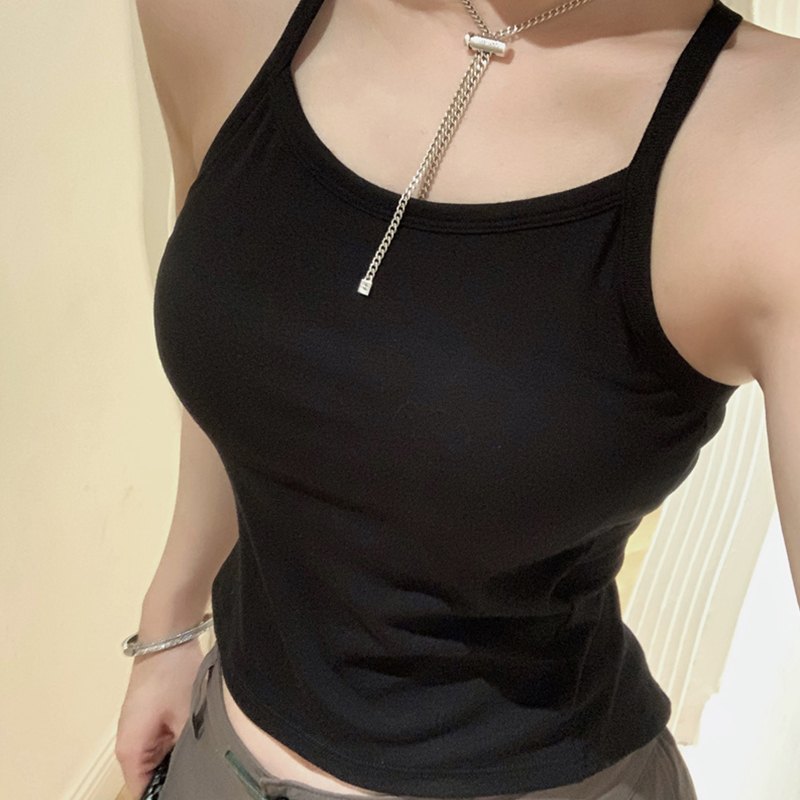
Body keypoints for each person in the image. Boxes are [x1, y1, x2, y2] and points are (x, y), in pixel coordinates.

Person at [117, 0, 800, 799]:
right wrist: (170, 620)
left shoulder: (772, 143)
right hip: (221, 752)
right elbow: (249, 362)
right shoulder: (220, 14)